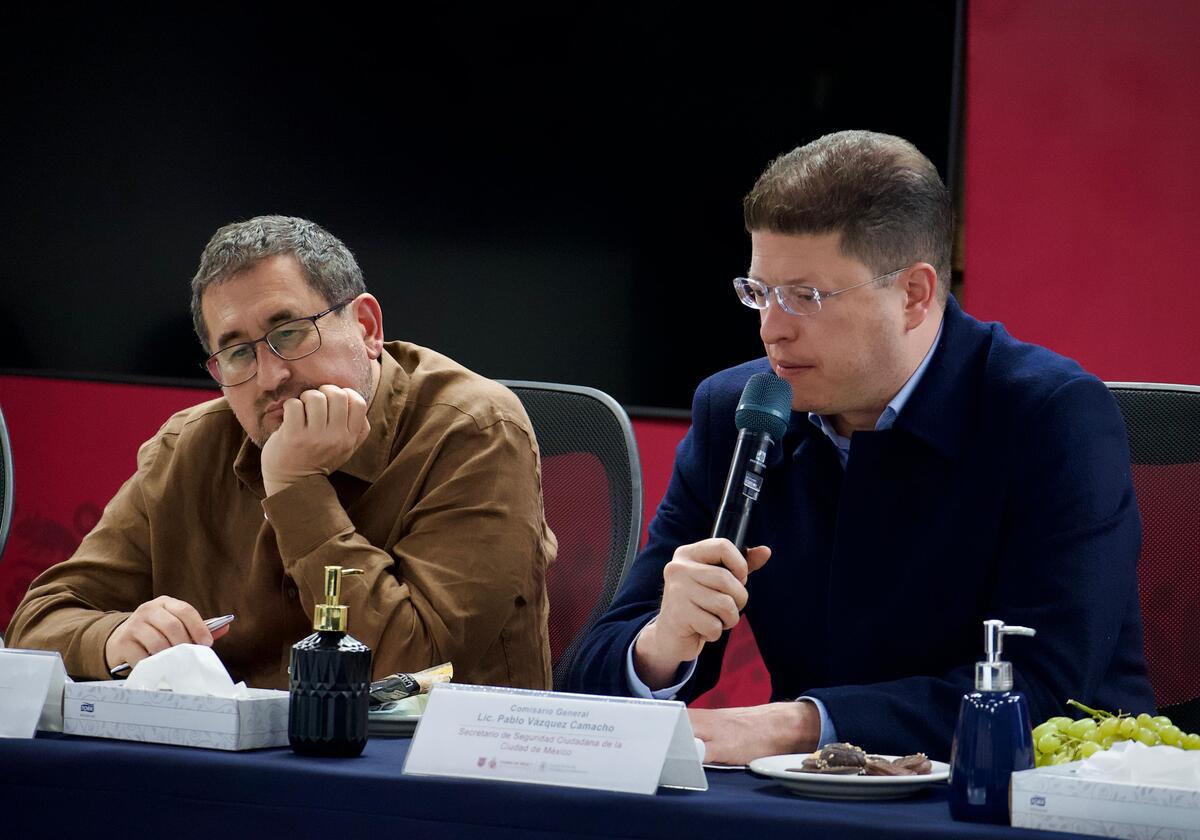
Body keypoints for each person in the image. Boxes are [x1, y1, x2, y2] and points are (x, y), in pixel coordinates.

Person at [567, 130, 1155, 763]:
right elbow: (590, 674)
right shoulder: (739, 410)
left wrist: (799, 725)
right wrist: (660, 646)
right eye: (759, 292)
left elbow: (1049, 689)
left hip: (1036, 793)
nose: (771, 329)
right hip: (813, 792)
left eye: (806, 297)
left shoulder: (1049, 414)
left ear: (914, 295)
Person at [6, 215, 556, 690]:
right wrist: (114, 639)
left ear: (366, 328)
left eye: (289, 333)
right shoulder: (188, 447)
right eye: (238, 353)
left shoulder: (475, 429)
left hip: (417, 767)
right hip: (235, 762)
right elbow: (38, 622)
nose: (270, 376)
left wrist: (296, 487)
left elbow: (411, 666)